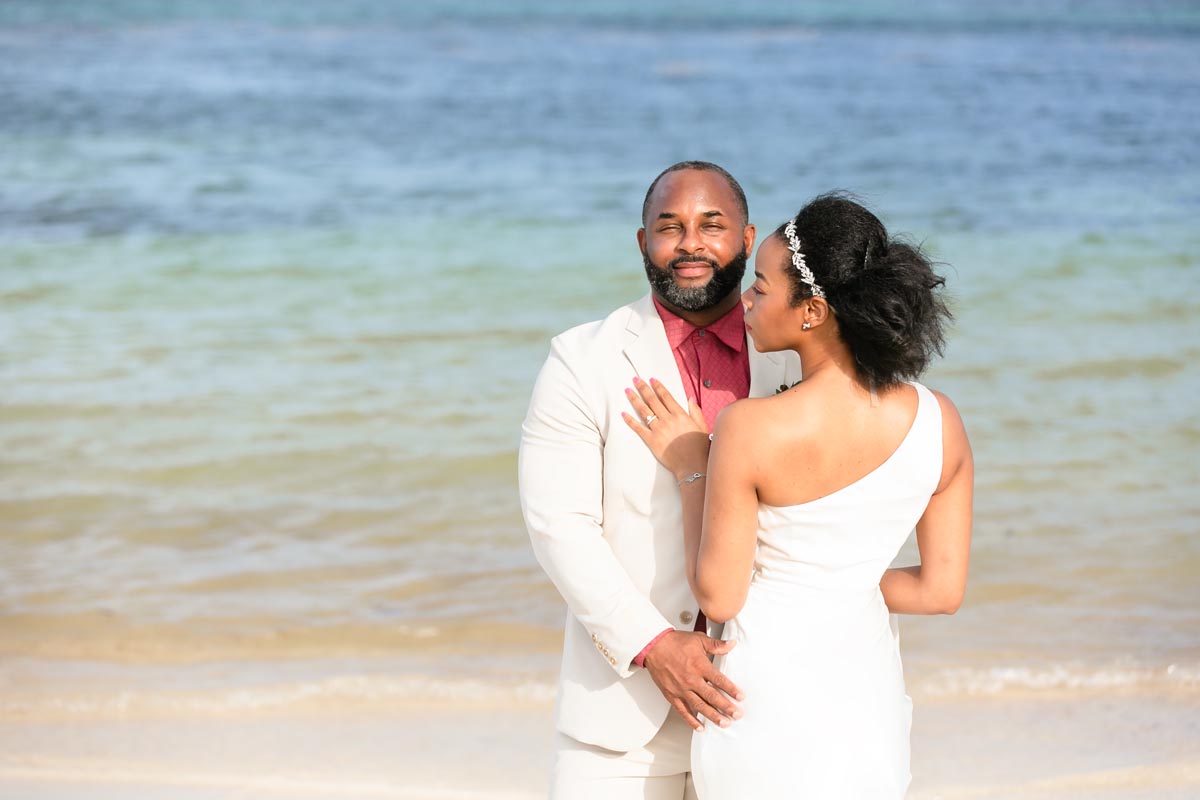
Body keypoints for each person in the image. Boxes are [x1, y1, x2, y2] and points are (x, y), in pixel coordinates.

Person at [622, 193, 973, 797]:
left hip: (764, 701)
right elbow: (939, 592)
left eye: (760, 286)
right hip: (867, 704)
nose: (746, 300)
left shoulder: (749, 427)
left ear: (812, 310)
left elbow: (720, 594)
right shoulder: (940, 420)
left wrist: (692, 465)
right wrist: (839, 579)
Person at [518, 162, 801, 799]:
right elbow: (560, 527)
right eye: (670, 227)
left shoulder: (799, 358)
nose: (690, 244)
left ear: (747, 238)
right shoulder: (580, 360)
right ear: (643, 242)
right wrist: (653, 645)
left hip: (766, 704)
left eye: (711, 225)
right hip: (619, 718)